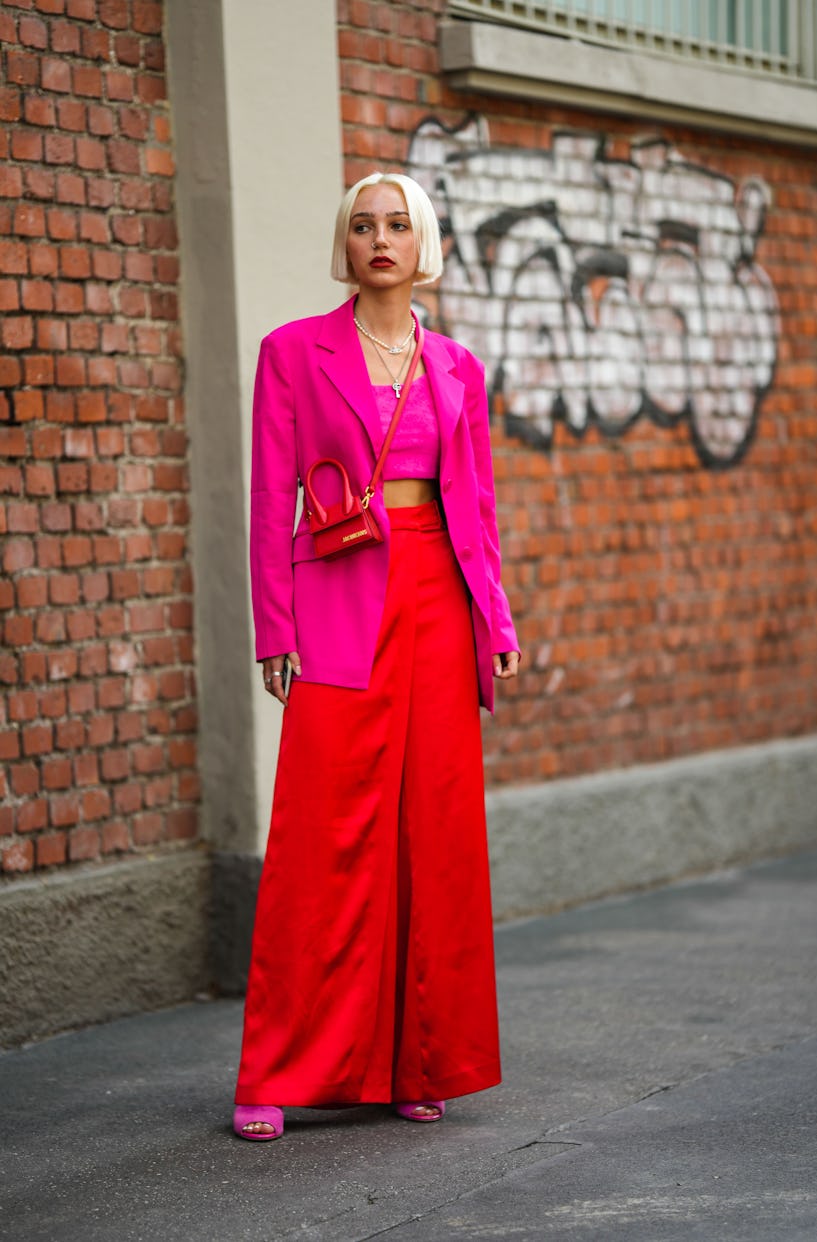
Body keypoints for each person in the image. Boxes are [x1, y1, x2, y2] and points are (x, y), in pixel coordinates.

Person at [233, 172, 520, 1140]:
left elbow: (473, 510)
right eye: (363, 226)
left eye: (398, 225)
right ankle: (273, 1074)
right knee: (322, 837)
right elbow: (275, 496)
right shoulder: (292, 352)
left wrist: (498, 623)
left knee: (429, 837)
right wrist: (276, 628)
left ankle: (419, 1058)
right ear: (345, 246)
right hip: (339, 596)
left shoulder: (456, 369)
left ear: (423, 242)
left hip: (440, 601)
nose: (380, 239)